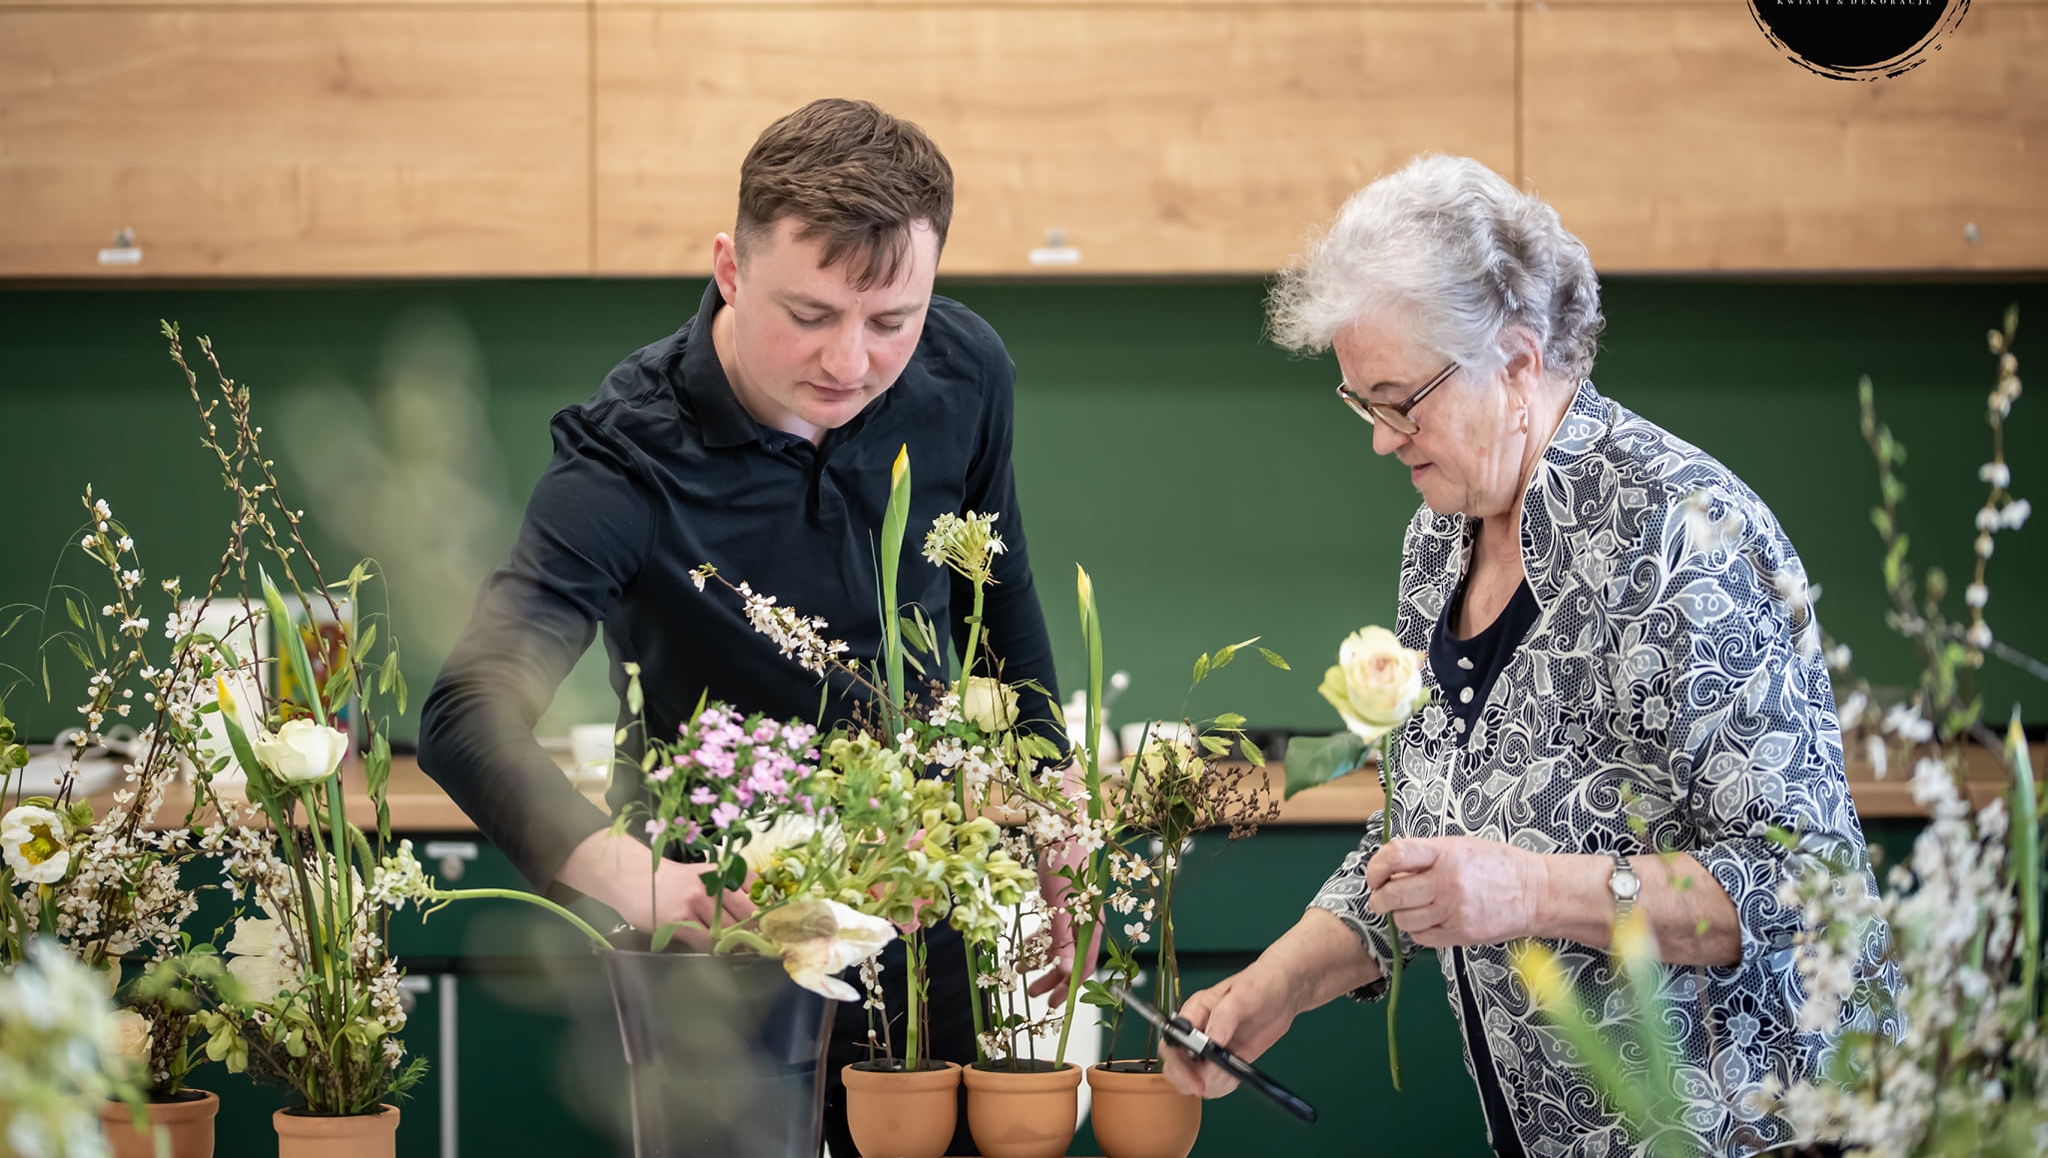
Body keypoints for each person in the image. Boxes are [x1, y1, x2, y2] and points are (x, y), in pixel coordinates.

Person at [1162, 155, 1890, 1155]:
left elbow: (1807, 885)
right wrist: (1271, 985)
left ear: (1513, 361)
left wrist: (1532, 891)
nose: (1380, 439)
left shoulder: (1685, 535)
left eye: (1397, 398)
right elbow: (1424, 833)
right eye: (1359, 401)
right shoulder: (1440, 536)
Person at [417, 98, 1080, 1157]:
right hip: (720, 933)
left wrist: (1050, 813)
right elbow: (466, 710)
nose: (852, 363)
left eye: (889, 320)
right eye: (809, 314)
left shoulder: (964, 373)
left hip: (928, 912)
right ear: (729, 267)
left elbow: (995, 605)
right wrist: (648, 883)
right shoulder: (625, 456)